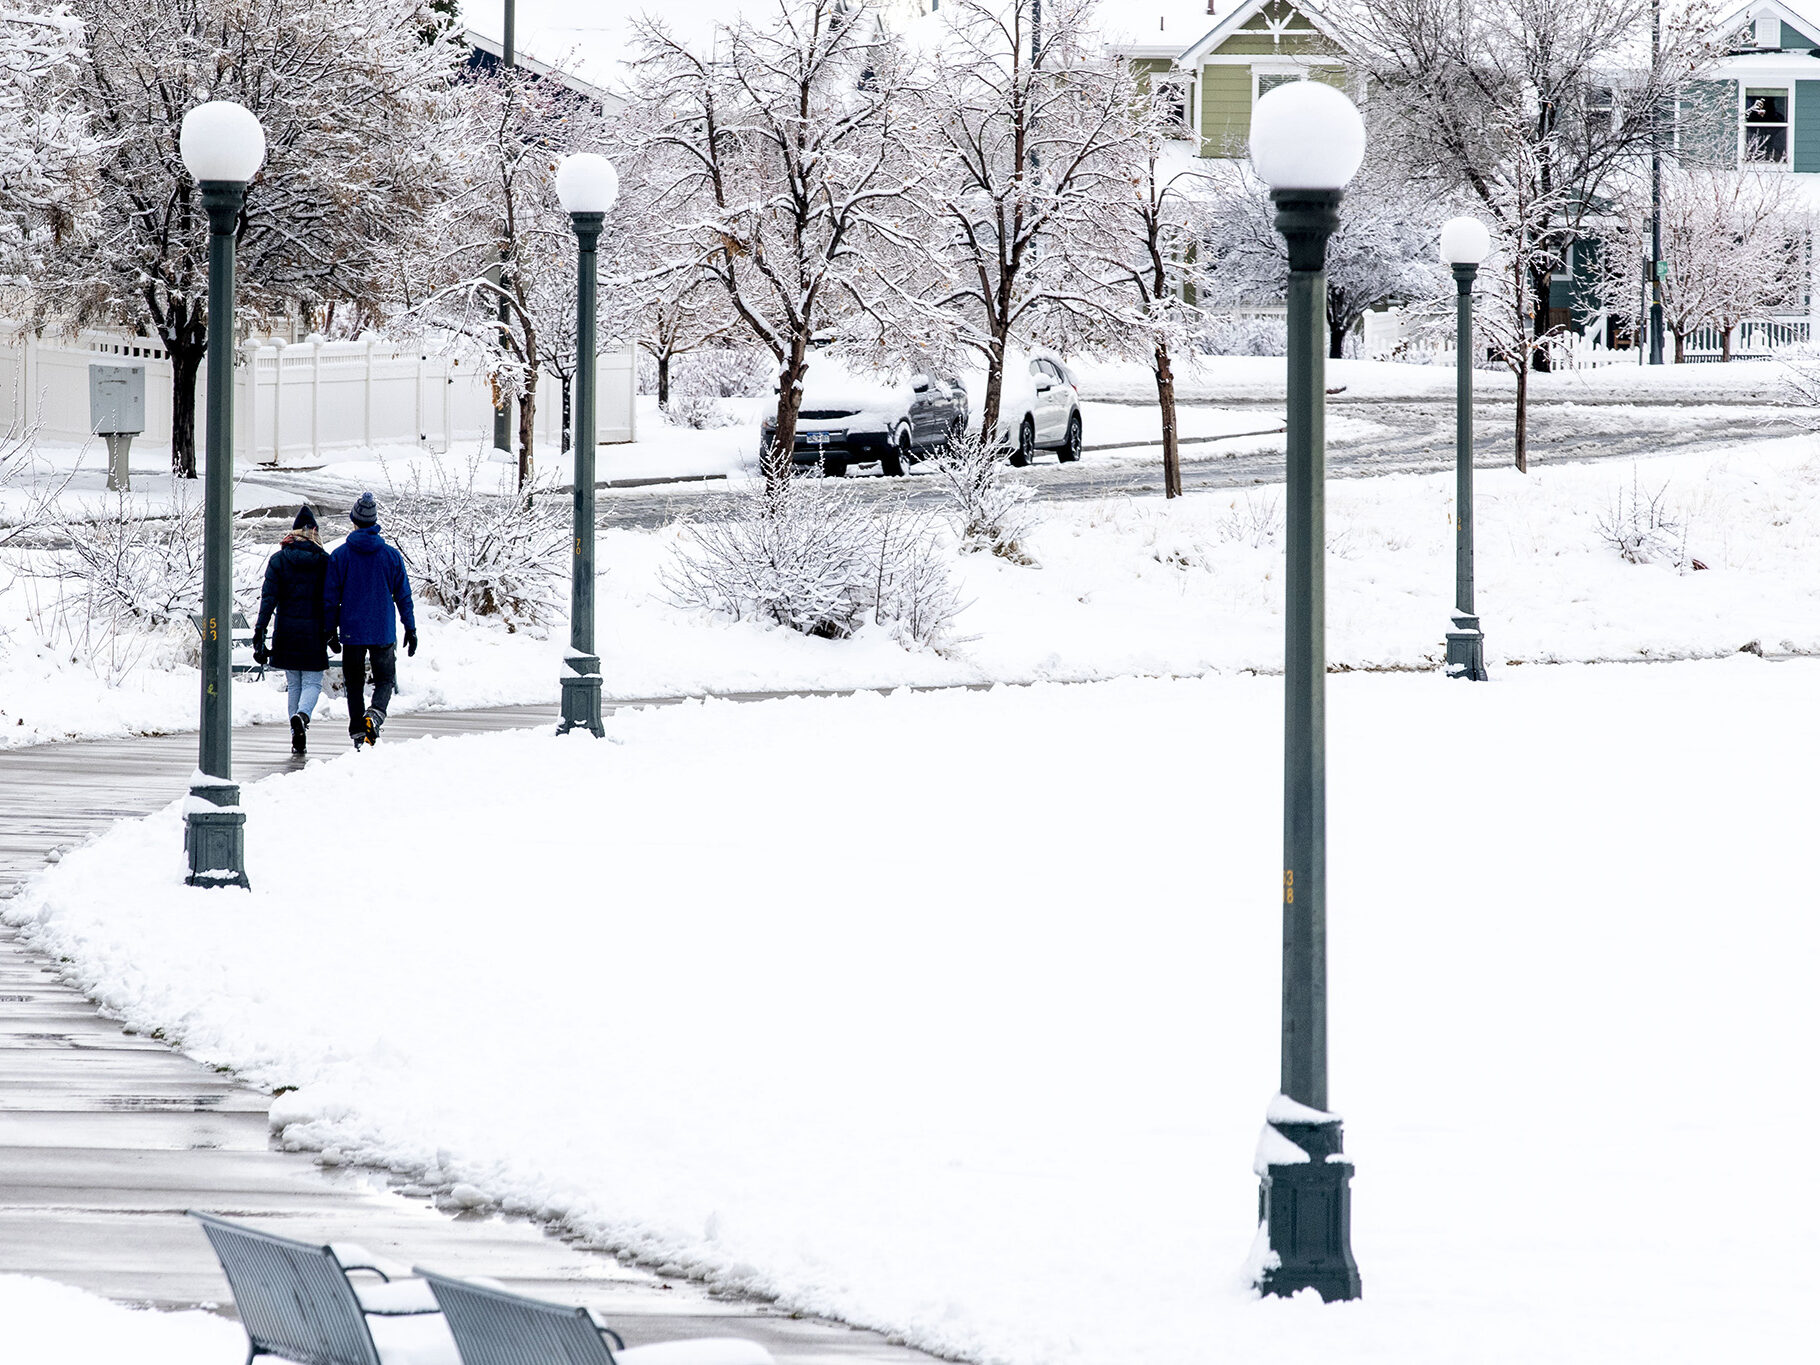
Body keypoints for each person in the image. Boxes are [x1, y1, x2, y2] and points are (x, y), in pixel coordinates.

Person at [324, 491, 417, 749]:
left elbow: (330, 598)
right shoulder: (390, 556)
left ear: (354, 521)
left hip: (352, 631)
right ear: (374, 523)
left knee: (353, 683)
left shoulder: (340, 556)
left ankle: (358, 733)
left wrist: (330, 630)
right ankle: (374, 715)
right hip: (382, 630)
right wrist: (410, 627)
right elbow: (403, 595)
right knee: (385, 679)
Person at [253, 505, 331, 756]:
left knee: (294, 684)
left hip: (285, 630)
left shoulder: (278, 560)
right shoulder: (323, 561)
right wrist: (333, 632)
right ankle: (303, 717)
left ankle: (296, 735)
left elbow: (268, 599)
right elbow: (330, 601)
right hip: (314, 632)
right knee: (312, 683)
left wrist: (260, 631)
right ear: (315, 532)